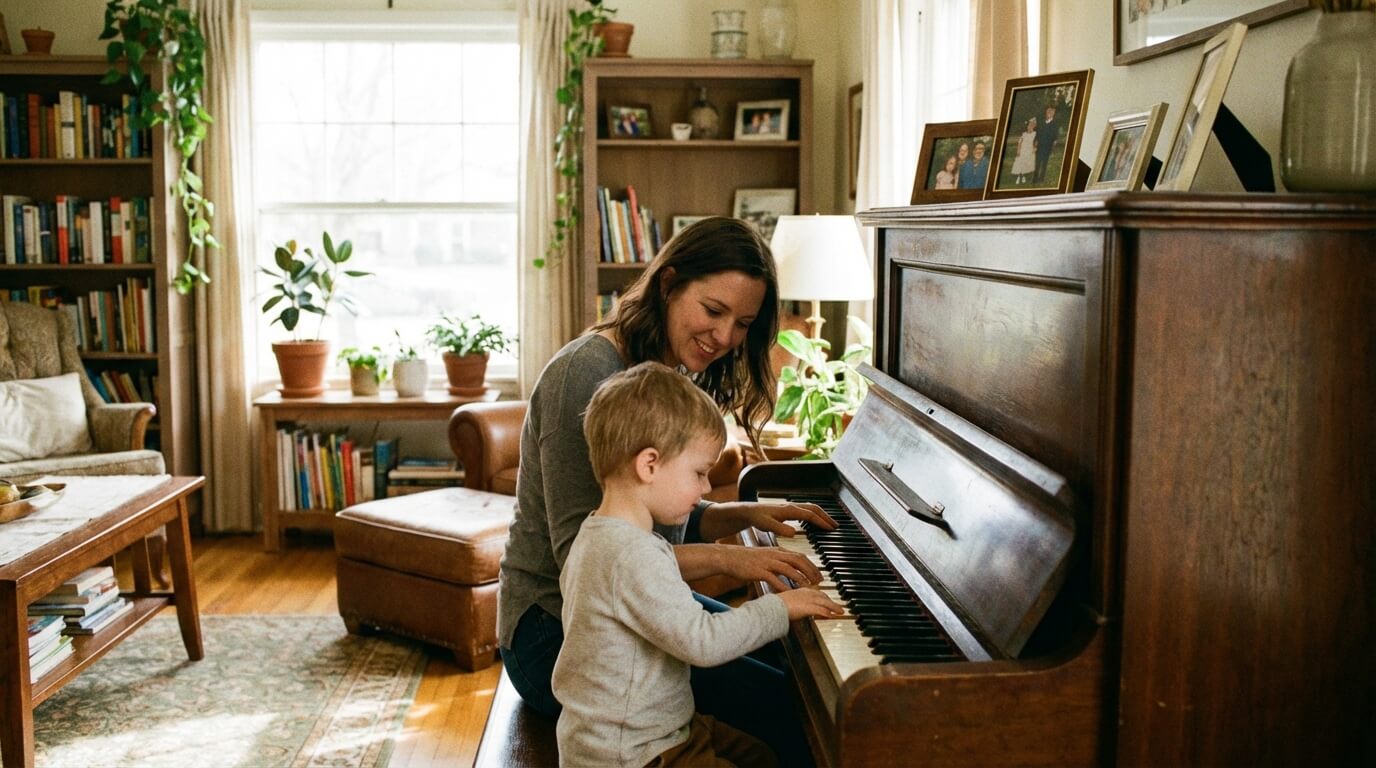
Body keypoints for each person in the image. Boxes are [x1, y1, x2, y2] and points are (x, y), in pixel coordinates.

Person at [498, 216, 836, 764]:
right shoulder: (587, 373)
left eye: (743, 323)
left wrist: (743, 514)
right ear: (668, 284)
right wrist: (742, 566)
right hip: (551, 635)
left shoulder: (661, 369)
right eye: (713, 311)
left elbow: (647, 510)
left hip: (624, 605)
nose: (725, 338)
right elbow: (597, 556)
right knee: (789, 707)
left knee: (788, 665)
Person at [553, 362, 844, 768]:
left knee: (763, 756)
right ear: (649, 465)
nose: (707, 488)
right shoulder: (630, 554)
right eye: (699, 473)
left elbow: (659, 588)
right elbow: (702, 641)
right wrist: (783, 608)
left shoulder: (602, 535)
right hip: (633, 754)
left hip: (653, 730)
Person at [1034, 103, 1062, 183]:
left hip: (1048, 145)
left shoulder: (1055, 123)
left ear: (1054, 113)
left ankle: (1041, 177)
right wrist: (1036, 141)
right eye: (1049, 111)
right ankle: (1035, 178)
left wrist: (1054, 145)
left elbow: (1055, 135)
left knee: (1044, 162)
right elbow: (1038, 132)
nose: (1050, 112)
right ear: (1046, 112)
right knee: (1038, 161)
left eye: (1052, 111)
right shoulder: (1041, 122)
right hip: (1040, 144)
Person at [1011, 116, 1038, 185]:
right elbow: (1019, 143)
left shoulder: (1035, 134)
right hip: (1023, 150)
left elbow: (1036, 143)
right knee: (1020, 162)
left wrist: (1035, 149)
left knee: (1026, 164)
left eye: (1032, 125)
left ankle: (1023, 176)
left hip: (1029, 151)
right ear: (1027, 126)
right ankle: (1018, 176)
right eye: (1029, 125)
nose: (1030, 127)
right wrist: (1018, 151)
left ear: (1034, 126)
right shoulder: (1024, 134)